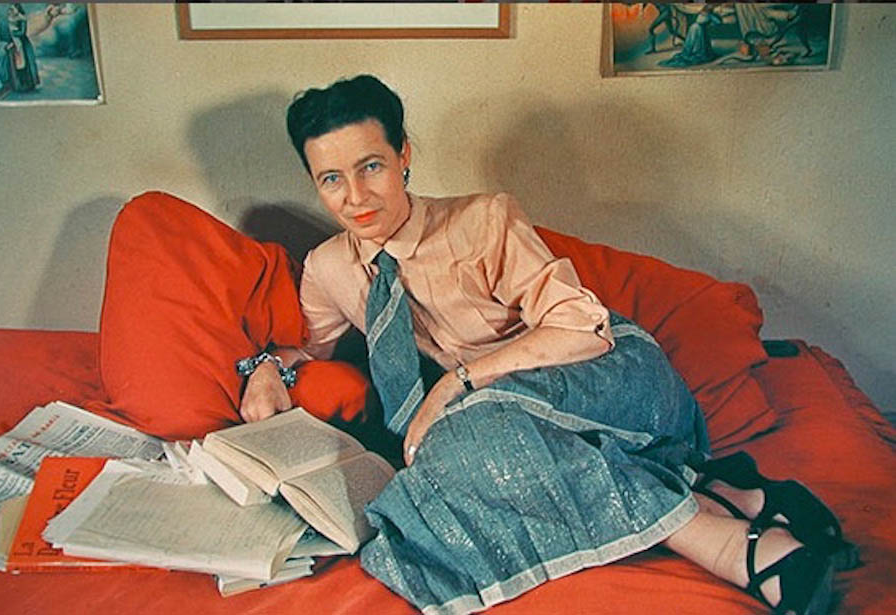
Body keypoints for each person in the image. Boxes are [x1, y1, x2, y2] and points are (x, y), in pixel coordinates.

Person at [239, 74, 842, 615]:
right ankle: (724, 496)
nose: (356, 197)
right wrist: (266, 369)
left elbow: (582, 327)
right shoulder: (329, 268)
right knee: (438, 471)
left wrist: (456, 383)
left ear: (404, 156)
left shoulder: (483, 220)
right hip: (502, 420)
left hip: (609, 374)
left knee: (465, 440)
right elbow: (309, 351)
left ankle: (731, 547)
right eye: (332, 179)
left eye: (370, 166)